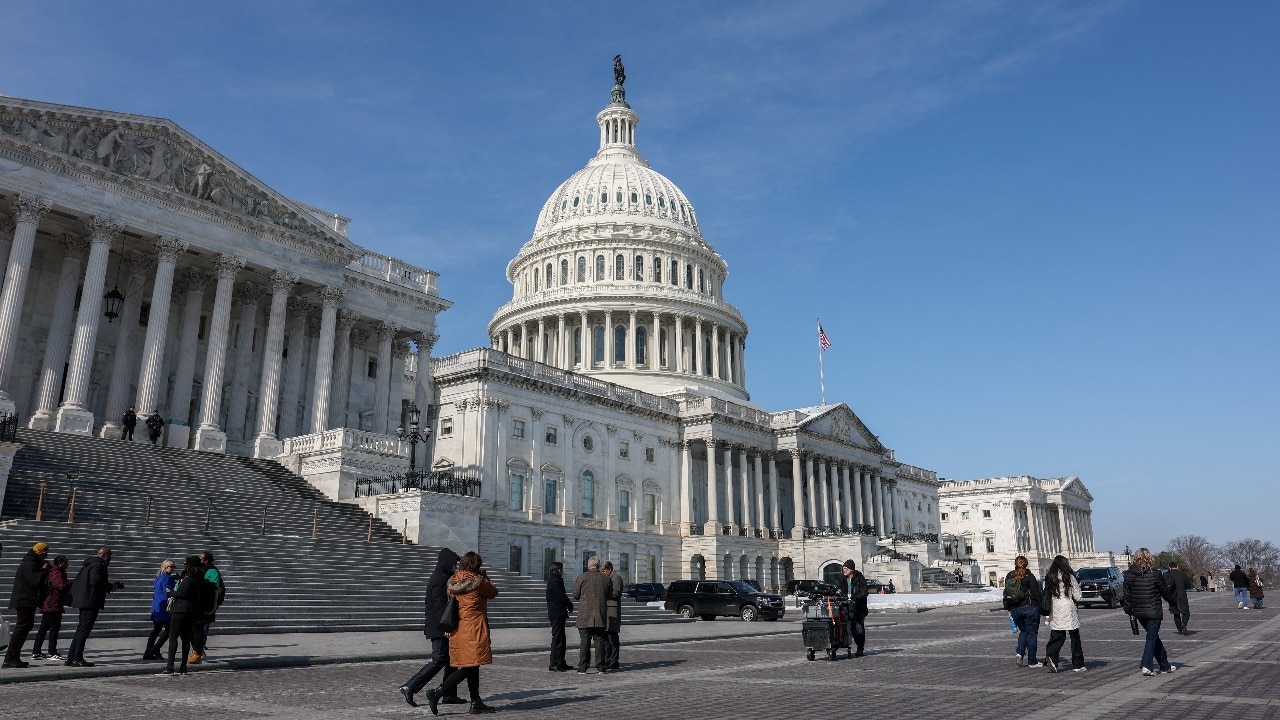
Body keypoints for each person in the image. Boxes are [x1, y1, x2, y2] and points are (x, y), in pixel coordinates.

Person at [424, 551, 499, 715]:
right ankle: (437, 692)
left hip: (458, 629)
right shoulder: (478, 581)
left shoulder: (453, 581)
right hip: (474, 628)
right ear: (476, 566)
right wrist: (484, 575)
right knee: (469, 667)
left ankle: (476, 701)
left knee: (472, 665)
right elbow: (493, 592)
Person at [398, 548, 465, 707]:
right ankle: (411, 686)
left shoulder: (444, 578)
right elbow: (439, 607)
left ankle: (449, 694)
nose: (455, 567)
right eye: (453, 564)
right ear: (447, 563)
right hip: (439, 627)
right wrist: (446, 627)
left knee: (451, 660)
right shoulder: (438, 579)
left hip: (443, 626)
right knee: (439, 659)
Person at [66, 546, 123, 667]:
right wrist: (110, 587)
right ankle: (77, 657)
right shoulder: (98, 565)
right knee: (83, 630)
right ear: (104, 555)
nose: (110, 559)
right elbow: (95, 581)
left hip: (86, 600)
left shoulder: (90, 564)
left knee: (80, 629)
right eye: (110, 556)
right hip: (90, 601)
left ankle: (71, 657)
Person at [1123, 547, 1177, 676]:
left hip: (1139, 611)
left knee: (1154, 637)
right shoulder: (1155, 573)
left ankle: (1165, 666)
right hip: (1153, 610)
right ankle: (1147, 664)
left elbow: (1127, 595)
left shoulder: (1129, 574)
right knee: (1152, 637)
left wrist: (1129, 610)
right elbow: (1165, 592)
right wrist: (1175, 604)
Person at [162, 556, 214, 676]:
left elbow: (182, 593)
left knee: (173, 637)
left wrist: (170, 592)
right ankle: (183, 666)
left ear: (189, 565)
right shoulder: (201, 579)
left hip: (180, 610)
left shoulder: (188, 579)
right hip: (192, 612)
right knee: (186, 639)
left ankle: (170, 666)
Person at [4, 542, 50, 668]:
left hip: (27, 600)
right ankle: (10, 658)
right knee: (21, 627)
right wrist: (45, 571)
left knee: (26, 626)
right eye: (45, 553)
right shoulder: (30, 563)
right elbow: (36, 581)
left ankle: (14, 656)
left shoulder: (32, 562)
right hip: (24, 600)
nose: (46, 556)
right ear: (40, 553)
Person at [1042, 555, 1085, 673]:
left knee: (1056, 636)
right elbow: (1078, 597)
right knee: (1074, 637)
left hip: (1055, 608)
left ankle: (1051, 657)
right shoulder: (1069, 577)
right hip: (1068, 607)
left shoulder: (1049, 577)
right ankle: (1077, 664)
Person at [571, 556, 612, 674]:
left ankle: (583, 667)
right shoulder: (605, 579)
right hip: (599, 613)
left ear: (588, 565)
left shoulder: (582, 577)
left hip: (584, 614)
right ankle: (601, 667)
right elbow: (609, 595)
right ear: (599, 566)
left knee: (584, 641)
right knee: (599, 641)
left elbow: (575, 594)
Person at [1003, 555, 1043, 668]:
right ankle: (1032, 661)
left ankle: (1019, 653)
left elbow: (1006, 593)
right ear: (1026, 564)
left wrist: (1008, 608)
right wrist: (1042, 607)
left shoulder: (1010, 576)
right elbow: (1036, 593)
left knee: (1023, 631)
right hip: (1029, 608)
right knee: (1032, 634)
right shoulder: (1029, 576)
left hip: (1015, 609)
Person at [31, 554, 69, 661]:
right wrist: (72, 583)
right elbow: (60, 586)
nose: (67, 564)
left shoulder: (53, 571)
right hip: (53, 604)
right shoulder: (56, 572)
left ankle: (36, 651)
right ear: (60, 563)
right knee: (54, 628)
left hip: (49, 604)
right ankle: (52, 652)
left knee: (43, 628)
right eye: (66, 562)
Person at [189, 550, 224, 664]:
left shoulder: (212, 571)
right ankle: (198, 650)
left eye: (201, 558)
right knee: (192, 628)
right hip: (196, 603)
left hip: (205, 604)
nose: (199, 560)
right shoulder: (199, 569)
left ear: (206, 560)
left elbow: (213, 587)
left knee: (198, 627)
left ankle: (197, 651)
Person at [144, 559, 176, 659]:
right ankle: (154, 649)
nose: (172, 568)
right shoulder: (167, 577)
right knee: (169, 629)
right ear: (165, 567)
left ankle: (149, 651)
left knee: (156, 629)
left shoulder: (159, 577)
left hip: (157, 605)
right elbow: (168, 590)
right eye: (170, 566)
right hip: (164, 606)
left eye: (173, 566)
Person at [545, 561, 573, 671]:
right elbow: (561, 596)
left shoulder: (556, 580)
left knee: (561, 638)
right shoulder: (554, 581)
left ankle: (561, 661)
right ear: (558, 570)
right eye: (561, 569)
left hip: (559, 612)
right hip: (556, 613)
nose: (563, 571)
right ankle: (554, 663)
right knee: (557, 638)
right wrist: (570, 605)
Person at [839, 559, 869, 658]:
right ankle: (845, 644)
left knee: (858, 628)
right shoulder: (843, 579)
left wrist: (855, 597)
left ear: (851, 569)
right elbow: (838, 589)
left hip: (858, 608)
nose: (844, 570)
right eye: (843, 568)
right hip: (846, 606)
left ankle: (860, 648)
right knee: (846, 626)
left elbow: (864, 591)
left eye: (846, 568)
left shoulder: (859, 578)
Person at [601, 560, 623, 670]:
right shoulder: (605, 578)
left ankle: (614, 660)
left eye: (603, 571)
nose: (602, 573)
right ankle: (607, 659)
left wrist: (603, 593)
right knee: (605, 638)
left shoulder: (616, 578)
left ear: (609, 569)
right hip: (605, 611)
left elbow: (615, 593)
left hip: (612, 611)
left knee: (612, 637)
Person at [1165, 561, 1191, 635]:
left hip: (1172, 597)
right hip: (1182, 595)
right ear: (1177, 567)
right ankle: (1184, 623)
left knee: (1176, 614)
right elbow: (1188, 585)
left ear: (1169, 567)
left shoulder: (1167, 574)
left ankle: (1180, 629)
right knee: (1186, 612)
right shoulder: (1182, 574)